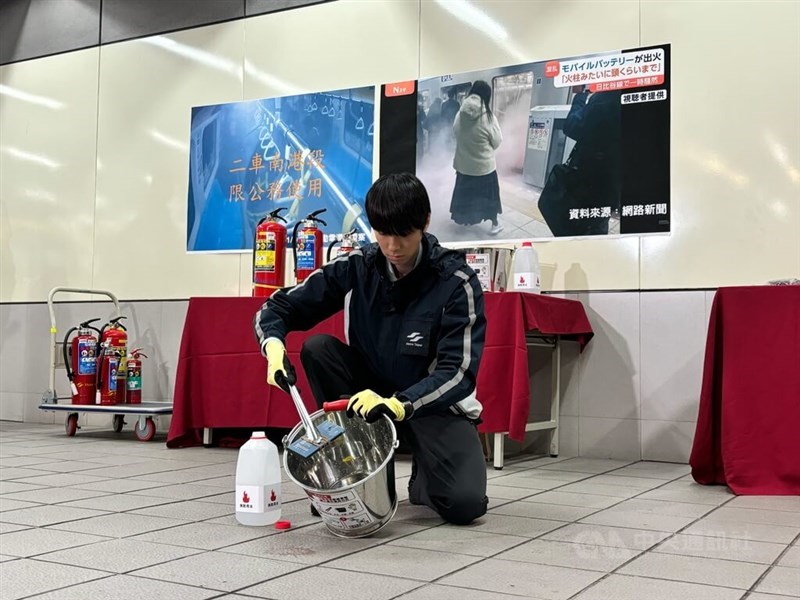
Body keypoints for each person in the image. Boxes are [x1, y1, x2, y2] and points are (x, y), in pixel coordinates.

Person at [254, 172, 488, 525]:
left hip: (430, 405)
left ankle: (424, 479)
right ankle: (356, 471)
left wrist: (400, 403)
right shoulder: (358, 266)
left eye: (403, 233)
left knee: (464, 504)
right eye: (382, 233)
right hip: (367, 402)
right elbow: (278, 307)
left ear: (424, 222)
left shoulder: (455, 281)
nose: (393, 246)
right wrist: (272, 346)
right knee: (319, 349)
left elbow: (458, 372)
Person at [562, 86, 622, 235]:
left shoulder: (606, 98)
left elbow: (572, 125)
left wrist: (580, 96)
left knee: (581, 226)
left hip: (589, 182)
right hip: (612, 185)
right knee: (599, 223)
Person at [450, 80, 504, 235]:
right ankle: (495, 224)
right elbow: (497, 141)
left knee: (466, 197)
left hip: (463, 168)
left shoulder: (460, 114)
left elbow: (455, 133)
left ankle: (466, 220)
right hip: (483, 169)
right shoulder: (489, 117)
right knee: (489, 200)